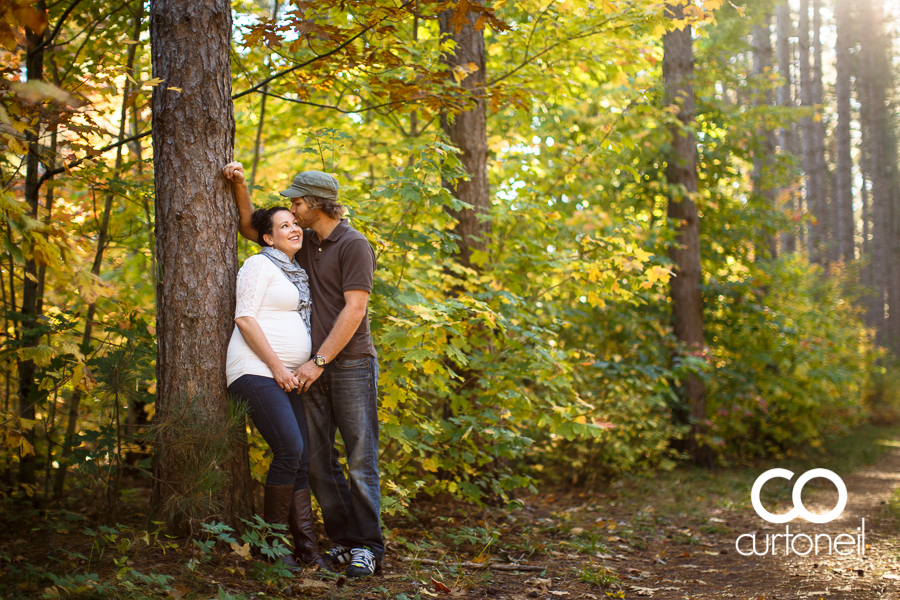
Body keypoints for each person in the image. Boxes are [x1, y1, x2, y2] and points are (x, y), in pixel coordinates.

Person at [223, 162, 384, 579]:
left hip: (347, 365)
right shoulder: (305, 242)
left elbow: (355, 309)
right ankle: (344, 543)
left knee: (359, 457)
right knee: (317, 461)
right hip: (307, 371)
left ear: (315, 204)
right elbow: (252, 229)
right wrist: (239, 185)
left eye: (297, 203)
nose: (293, 211)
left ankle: (368, 547)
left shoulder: (354, 245)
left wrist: (318, 361)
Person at [225, 205, 331, 573]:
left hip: (287, 376)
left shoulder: (296, 272)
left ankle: (307, 550)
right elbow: (245, 317)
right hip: (256, 370)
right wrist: (276, 367)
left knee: (300, 458)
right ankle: (273, 546)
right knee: (290, 448)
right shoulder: (259, 265)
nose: (294, 228)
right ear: (268, 237)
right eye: (284, 225)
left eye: (295, 222)